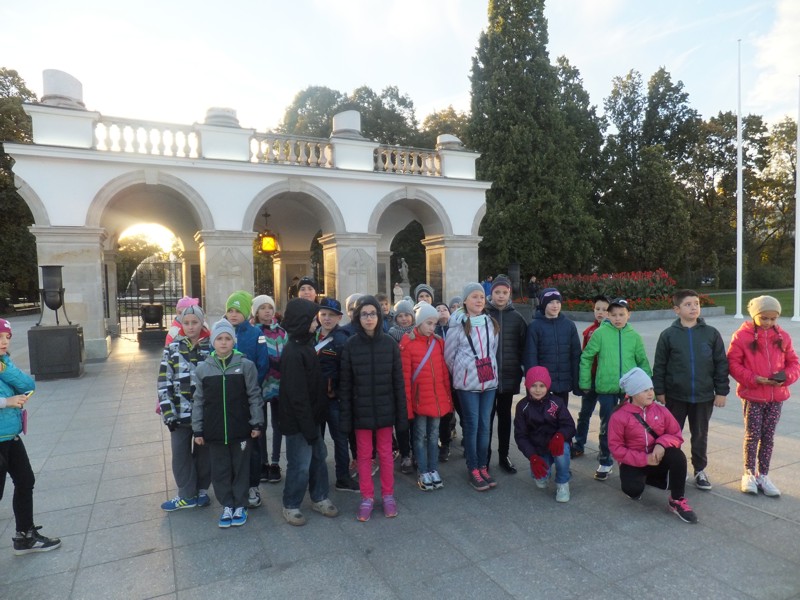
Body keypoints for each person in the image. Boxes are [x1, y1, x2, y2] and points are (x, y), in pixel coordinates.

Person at [339, 296, 408, 521]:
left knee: (386, 455)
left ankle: (388, 495)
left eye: (372, 313)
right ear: (358, 317)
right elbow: (345, 385)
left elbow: (398, 382)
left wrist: (401, 415)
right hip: (361, 411)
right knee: (364, 456)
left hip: (385, 409)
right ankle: (367, 497)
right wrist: (346, 417)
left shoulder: (389, 343)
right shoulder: (351, 345)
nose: (369, 318)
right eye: (364, 314)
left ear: (379, 316)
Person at [653, 289, 729, 491]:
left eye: (696, 303)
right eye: (688, 304)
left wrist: (721, 391)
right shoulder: (668, 335)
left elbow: (721, 363)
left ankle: (700, 470)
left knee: (700, 435)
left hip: (703, 397)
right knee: (672, 434)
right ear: (676, 309)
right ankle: (673, 469)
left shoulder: (711, 333)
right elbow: (660, 365)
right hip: (675, 396)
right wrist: (659, 390)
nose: (694, 307)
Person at [191, 320, 265, 528]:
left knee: (240, 468)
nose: (223, 342)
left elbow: (254, 396)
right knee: (220, 470)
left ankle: (240, 504)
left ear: (234, 341)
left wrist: (256, 423)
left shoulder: (246, 366)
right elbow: (198, 401)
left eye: (227, 338)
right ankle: (227, 504)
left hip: (240, 430)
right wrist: (198, 429)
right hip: (214, 431)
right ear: (213, 342)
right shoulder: (203, 369)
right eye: (219, 339)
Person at [727, 295, 800, 497]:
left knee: (768, 436)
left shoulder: (783, 337)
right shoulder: (742, 336)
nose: (768, 322)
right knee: (753, 435)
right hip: (753, 395)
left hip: (776, 396)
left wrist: (785, 377)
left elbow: (794, 363)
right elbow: (733, 363)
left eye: (773, 318)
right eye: (764, 318)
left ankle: (764, 475)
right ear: (754, 315)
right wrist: (753, 378)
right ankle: (749, 473)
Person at [0, 318, 61, 554]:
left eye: (7, 337)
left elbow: (28, 385)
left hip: (10, 436)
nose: (4, 342)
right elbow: (13, 397)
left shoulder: (4, 363)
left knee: (25, 481)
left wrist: (4, 368)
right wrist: (6, 402)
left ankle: (24, 536)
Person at [609, 368, 698, 524]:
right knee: (633, 491)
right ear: (632, 393)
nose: (650, 393)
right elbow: (616, 449)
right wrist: (644, 459)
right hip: (634, 461)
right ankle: (645, 479)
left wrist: (661, 444)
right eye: (645, 390)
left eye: (651, 388)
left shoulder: (661, 410)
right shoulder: (619, 416)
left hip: (657, 457)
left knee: (677, 456)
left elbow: (676, 434)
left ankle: (677, 500)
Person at [279, 299, 339, 526]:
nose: (317, 323)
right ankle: (291, 504)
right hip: (299, 422)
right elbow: (297, 396)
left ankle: (319, 496)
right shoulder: (293, 352)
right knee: (300, 464)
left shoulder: (306, 345)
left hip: (312, 418)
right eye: (314, 319)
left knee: (318, 459)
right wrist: (308, 428)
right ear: (302, 321)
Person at [579, 298, 651, 481]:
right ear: (608, 315)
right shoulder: (600, 334)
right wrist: (585, 382)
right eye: (613, 315)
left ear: (628, 315)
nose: (618, 318)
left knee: (633, 425)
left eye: (621, 314)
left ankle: (632, 460)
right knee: (608, 425)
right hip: (606, 388)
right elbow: (587, 357)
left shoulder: (634, 336)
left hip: (630, 391)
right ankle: (605, 460)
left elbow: (642, 361)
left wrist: (648, 387)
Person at [444, 282, 500, 492]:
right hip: (467, 385)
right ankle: (473, 468)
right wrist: (465, 371)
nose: (478, 300)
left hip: (489, 383)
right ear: (465, 300)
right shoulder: (457, 324)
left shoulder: (490, 323)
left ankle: (483, 466)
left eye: (481, 297)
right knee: (472, 425)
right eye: (474, 297)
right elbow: (449, 356)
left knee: (485, 426)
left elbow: (492, 350)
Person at [157, 304, 212, 511]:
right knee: (180, 454)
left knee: (204, 454)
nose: (190, 326)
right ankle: (186, 493)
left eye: (195, 322)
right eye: (186, 323)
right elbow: (164, 382)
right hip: (179, 415)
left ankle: (202, 490)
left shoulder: (210, 348)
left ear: (201, 323)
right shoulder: (172, 349)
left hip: (203, 415)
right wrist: (168, 413)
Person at [400, 303, 452, 491]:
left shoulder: (438, 342)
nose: (432, 327)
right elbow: (405, 379)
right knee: (420, 436)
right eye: (429, 323)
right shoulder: (408, 343)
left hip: (437, 399)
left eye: (434, 324)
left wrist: (448, 398)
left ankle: (433, 469)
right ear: (419, 322)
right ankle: (423, 470)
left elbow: (444, 373)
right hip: (420, 400)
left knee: (433, 436)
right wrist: (407, 406)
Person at [225, 290, 268, 508]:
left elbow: (263, 364)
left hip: (250, 397)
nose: (233, 314)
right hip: (228, 398)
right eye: (230, 310)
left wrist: (250, 387)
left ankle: (253, 484)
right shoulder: (222, 332)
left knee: (253, 444)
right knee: (232, 443)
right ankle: (233, 483)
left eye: (237, 310)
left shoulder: (256, 333)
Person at [315, 298, 358, 493]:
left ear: (339, 317)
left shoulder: (343, 339)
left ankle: (343, 477)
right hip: (315, 399)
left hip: (334, 399)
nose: (327, 318)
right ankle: (316, 476)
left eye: (331, 315)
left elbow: (348, 371)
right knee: (316, 440)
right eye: (323, 314)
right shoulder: (311, 336)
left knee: (340, 439)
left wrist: (341, 394)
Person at [514, 366, 575, 502]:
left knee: (562, 452)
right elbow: (520, 436)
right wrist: (532, 456)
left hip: (556, 444)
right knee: (540, 480)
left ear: (547, 386)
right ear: (527, 386)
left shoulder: (557, 402)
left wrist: (560, 435)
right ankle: (546, 470)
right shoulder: (522, 407)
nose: (538, 390)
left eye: (542, 386)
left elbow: (569, 425)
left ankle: (563, 482)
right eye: (533, 385)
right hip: (538, 448)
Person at [486, 275, 527, 474]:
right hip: (486, 377)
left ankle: (504, 455)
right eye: (497, 292)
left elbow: (523, 347)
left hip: (509, 376)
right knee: (486, 419)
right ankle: (484, 457)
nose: (501, 296)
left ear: (509, 294)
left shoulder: (517, 318)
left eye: (504, 292)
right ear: (491, 293)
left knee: (504, 418)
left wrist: (522, 370)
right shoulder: (483, 314)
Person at [251, 295, 288, 487]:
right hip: (260, 384)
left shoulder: (281, 332)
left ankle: (275, 462)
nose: (267, 311)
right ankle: (263, 462)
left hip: (279, 384)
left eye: (270, 307)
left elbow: (287, 354)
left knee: (278, 424)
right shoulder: (253, 332)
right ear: (256, 312)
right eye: (262, 308)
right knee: (261, 424)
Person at [523, 287, 581, 407]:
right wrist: (534, 382)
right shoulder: (534, 326)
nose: (555, 306)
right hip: (541, 384)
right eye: (550, 302)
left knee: (561, 413)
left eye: (558, 302)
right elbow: (530, 356)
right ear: (544, 304)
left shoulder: (569, 325)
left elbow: (575, 355)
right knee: (541, 414)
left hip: (563, 381)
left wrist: (576, 381)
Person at [572, 295, 610, 458]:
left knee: (607, 417)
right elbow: (584, 359)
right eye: (597, 309)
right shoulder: (589, 332)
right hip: (591, 380)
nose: (600, 312)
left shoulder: (614, 331)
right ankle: (579, 444)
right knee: (584, 413)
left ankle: (605, 448)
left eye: (604, 309)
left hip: (607, 381)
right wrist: (584, 381)